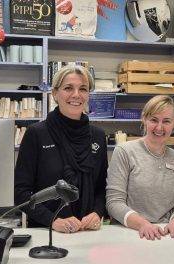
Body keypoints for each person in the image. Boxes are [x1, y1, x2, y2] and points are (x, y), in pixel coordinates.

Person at [15, 65, 107, 233]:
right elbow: (20, 194)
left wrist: (97, 212)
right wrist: (53, 221)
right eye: (68, 88)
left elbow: (101, 188)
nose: (76, 95)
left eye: (83, 89)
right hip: (47, 232)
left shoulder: (98, 136)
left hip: (87, 233)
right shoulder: (36, 133)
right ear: (55, 94)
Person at [106, 95, 174, 240]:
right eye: (154, 120)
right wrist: (142, 224)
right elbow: (114, 202)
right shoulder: (124, 152)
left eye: (166, 121)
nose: (159, 127)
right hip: (130, 233)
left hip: (166, 234)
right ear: (144, 119)